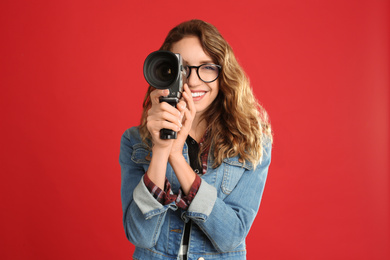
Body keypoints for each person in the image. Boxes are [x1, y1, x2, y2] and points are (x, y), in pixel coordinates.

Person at [119, 19, 273, 260]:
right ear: (164, 71)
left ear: (223, 73)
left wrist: (176, 158)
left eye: (207, 67)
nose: (192, 81)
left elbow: (230, 236)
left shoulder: (252, 140)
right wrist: (161, 150)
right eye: (182, 68)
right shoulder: (134, 140)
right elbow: (140, 235)